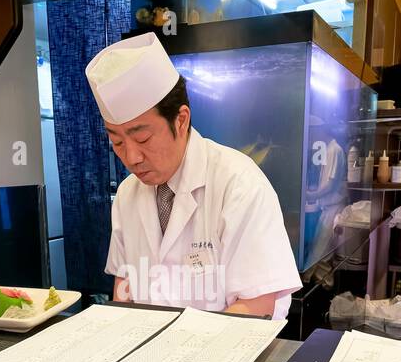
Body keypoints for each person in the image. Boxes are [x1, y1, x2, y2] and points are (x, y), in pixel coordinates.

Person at [86, 33, 300, 319]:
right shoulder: (127, 194)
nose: (132, 157)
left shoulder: (238, 183)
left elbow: (258, 304)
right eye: (118, 142)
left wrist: (182, 356)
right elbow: (124, 286)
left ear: (181, 119)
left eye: (144, 138)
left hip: (227, 356)